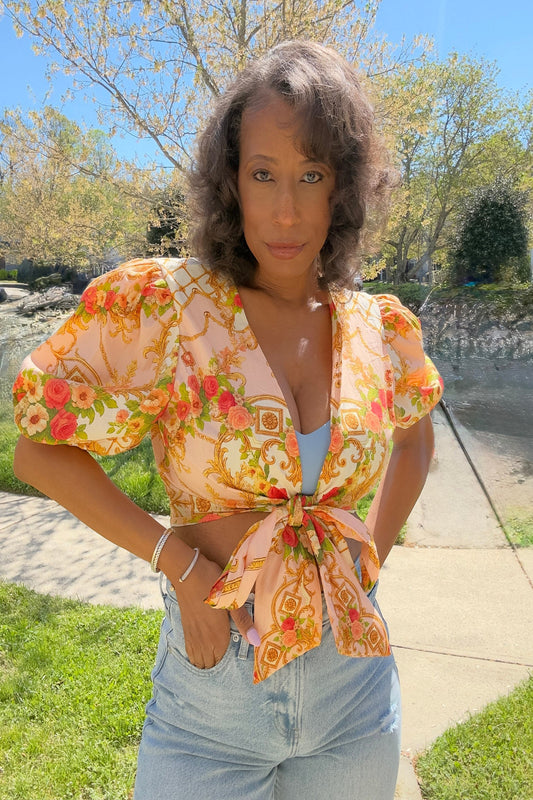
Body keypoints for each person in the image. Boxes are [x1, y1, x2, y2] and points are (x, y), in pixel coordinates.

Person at [13, 40, 443, 800]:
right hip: (212, 697)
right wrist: (179, 567)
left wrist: (367, 561)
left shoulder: (377, 325)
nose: (285, 209)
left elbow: (412, 443)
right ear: (229, 182)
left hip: (353, 695)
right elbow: (39, 454)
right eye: (263, 174)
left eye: (311, 175)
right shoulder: (169, 308)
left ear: (343, 187)